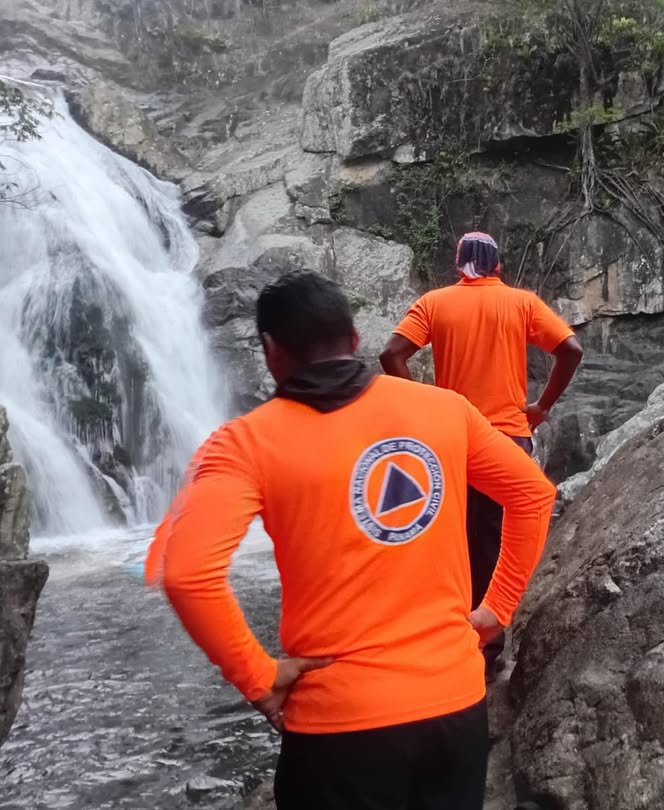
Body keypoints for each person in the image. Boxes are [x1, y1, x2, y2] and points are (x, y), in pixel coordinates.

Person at [145, 271, 556, 809]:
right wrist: (496, 606)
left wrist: (260, 677)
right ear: (356, 340)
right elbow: (533, 494)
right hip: (454, 710)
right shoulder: (444, 410)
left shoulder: (243, 444)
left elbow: (187, 572)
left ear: (270, 350)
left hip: (338, 728)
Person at [381, 231, 583, 680]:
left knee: (451, 541)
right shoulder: (521, 303)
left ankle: (452, 640)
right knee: (495, 540)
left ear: (459, 265)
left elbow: (392, 354)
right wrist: (542, 406)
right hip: (508, 439)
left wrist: (422, 406)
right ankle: (488, 649)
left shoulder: (434, 304)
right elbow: (571, 349)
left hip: (451, 439)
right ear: (497, 267)